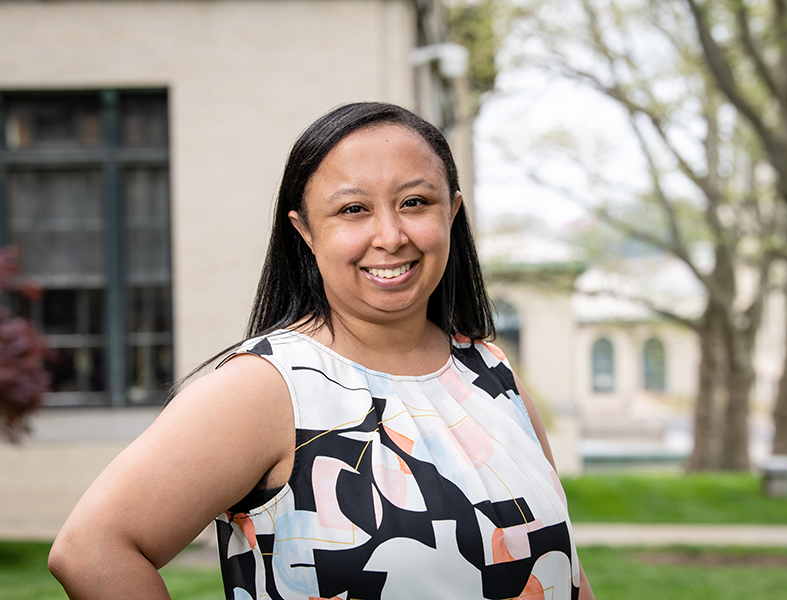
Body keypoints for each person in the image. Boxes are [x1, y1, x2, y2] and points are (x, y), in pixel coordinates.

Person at [49, 102, 595, 600]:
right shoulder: (269, 386)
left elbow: (561, 570)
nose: (390, 235)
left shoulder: (491, 373)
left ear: (451, 213)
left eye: (414, 202)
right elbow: (93, 549)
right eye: (353, 209)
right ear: (305, 231)